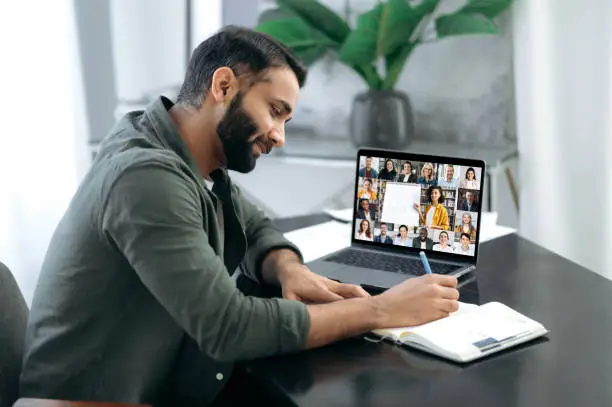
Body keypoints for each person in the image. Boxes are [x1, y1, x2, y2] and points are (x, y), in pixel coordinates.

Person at [18, 26, 459, 406]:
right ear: (223, 86)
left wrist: (288, 269)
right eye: (275, 111)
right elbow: (228, 328)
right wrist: (381, 310)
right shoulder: (147, 178)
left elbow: (256, 225)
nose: (279, 136)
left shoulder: (181, 151)